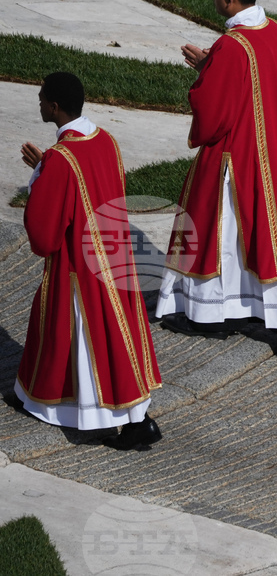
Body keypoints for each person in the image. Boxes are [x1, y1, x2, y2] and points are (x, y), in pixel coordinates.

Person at [156, 0, 277, 358]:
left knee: (222, 232)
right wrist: (212, 66)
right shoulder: (276, 32)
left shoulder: (232, 46)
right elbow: (260, 85)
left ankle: (211, 314)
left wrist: (204, 75)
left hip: (239, 155)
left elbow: (215, 110)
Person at [16, 72, 162, 450]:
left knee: (84, 338)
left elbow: (44, 233)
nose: (39, 104)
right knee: (119, 336)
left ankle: (104, 417)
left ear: (54, 107)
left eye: (41, 99)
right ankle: (136, 416)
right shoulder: (106, 141)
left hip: (77, 267)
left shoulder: (61, 159)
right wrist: (44, 169)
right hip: (113, 256)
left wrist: (39, 177)